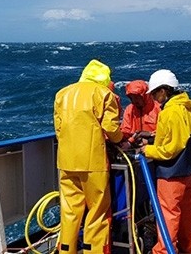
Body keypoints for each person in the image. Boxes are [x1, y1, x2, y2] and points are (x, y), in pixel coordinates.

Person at [53, 59, 123, 253]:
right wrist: (121, 139)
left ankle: (66, 250)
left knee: (69, 212)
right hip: (94, 163)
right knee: (97, 211)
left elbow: (59, 129)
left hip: (66, 161)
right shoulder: (104, 94)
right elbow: (111, 128)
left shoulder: (62, 94)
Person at [141, 69, 191, 254]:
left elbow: (170, 150)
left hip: (171, 175)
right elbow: (187, 132)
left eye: (154, 93)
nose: (152, 97)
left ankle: (164, 251)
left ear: (164, 90)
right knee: (187, 215)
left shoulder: (170, 112)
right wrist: (154, 137)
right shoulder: (185, 105)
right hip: (188, 171)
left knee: (168, 214)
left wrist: (148, 149)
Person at [120, 80, 161, 145]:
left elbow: (164, 133)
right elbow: (125, 130)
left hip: (154, 144)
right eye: (131, 98)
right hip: (134, 144)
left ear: (145, 96)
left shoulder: (159, 109)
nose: (134, 101)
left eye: (136, 98)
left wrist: (150, 135)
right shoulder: (129, 109)